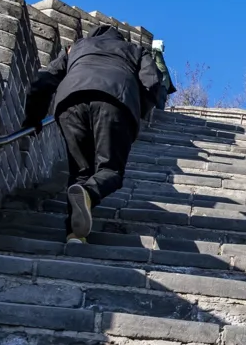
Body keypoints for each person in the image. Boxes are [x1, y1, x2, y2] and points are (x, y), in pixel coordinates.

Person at [23, 24, 163, 244]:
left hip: (70, 103)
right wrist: (138, 111)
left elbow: (44, 80)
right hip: (115, 101)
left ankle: (75, 234)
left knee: (80, 171)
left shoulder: (76, 48)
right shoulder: (135, 50)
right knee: (110, 170)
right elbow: (153, 81)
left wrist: (33, 119)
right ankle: (88, 193)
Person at [150, 39, 176, 113]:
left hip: (162, 84)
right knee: (159, 104)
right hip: (162, 84)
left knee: (159, 104)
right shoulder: (157, 56)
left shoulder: (158, 55)